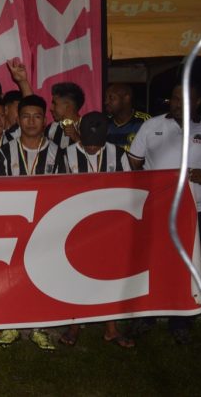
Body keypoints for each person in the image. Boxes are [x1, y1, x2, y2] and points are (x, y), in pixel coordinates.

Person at [127, 83, 201, 345]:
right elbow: (134, 162)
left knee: (186, 265)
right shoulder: (152, 126)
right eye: (173, 98)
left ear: (197, 102)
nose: (177, 103)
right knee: (153, 262)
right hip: (157, 209)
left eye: (184, 99)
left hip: (195, 209)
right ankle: (147, 315)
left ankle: (181, 320)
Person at [57, 111, 135, 349]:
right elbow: (57, 191)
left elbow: (129, 188)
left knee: (108, 277)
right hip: (76, 227)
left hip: (109, 226)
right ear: (79, 133)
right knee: (75, 277)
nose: (91, 149)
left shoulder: (119, 154)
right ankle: (74, 324)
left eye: (96, 146)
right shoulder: (66, 154)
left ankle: (111, 329)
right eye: (88, 145)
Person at [0, 94, 64, 351]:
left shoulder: (57, 152)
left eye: (37, 116)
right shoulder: (5, 150)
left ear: (45, 119)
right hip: (14, 223)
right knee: (12, 274)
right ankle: (11, 325)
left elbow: (63, 191)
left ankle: (39, 327)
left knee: (42, 274)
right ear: (18, 119)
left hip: (45, 224)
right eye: (26, 116)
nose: (31, 121)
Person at [104, 83, 150, 151]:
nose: (106, 102)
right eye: (106, 98)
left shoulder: (145, 121)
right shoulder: (104, 123)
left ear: (126, 98)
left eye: (111, 98)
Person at [46, 82, 85, 149]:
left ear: (68, 107)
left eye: (54, 104)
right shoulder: (51, 129)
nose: (51, 108)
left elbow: (96, 156)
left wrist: (77, 138)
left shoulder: (89, 128)